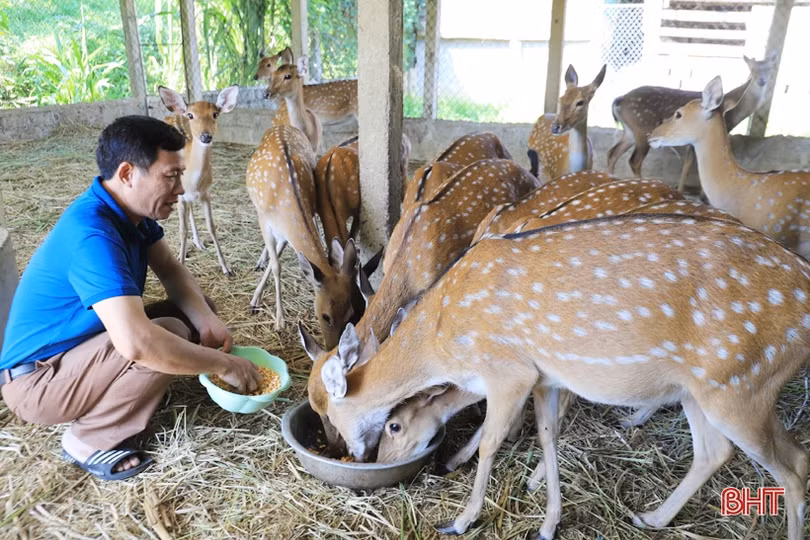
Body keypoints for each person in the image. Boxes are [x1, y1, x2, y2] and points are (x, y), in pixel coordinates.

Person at [0, 115, 261, 481]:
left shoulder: (129, 214)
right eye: (170, 176)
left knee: (192, 316)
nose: (181, 189)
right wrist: (225, 365)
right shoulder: (93, 234)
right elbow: (138, 344)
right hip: (37, 382)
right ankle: (89, 439)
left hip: (78, 349)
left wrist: (206, 320)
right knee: (164, 334)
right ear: (127, 174)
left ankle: (120, 396)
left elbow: (170, 269)